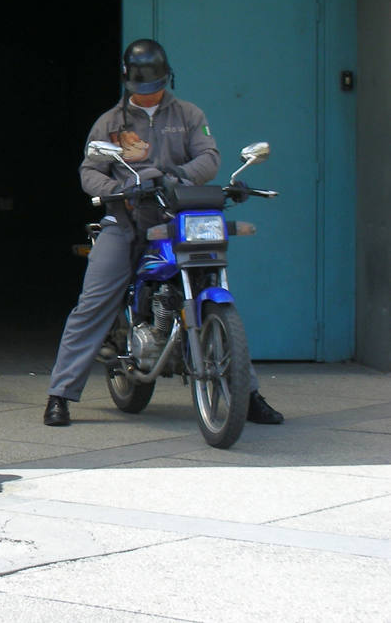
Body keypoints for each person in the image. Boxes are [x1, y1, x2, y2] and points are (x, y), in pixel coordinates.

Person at [43, 39, 284, 428]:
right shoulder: (110, 123)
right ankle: (60, 394)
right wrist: (117, 192)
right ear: (127, 80)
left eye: (154, 84)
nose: (149, 92)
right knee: (93, 303)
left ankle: (248, 394)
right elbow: (90, 171)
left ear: (167, 77)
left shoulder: (189, 115)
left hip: (179, 217)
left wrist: (178, 178)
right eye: (141, 85)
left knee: (218, 292)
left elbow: (210, 156)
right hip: (127, 219)